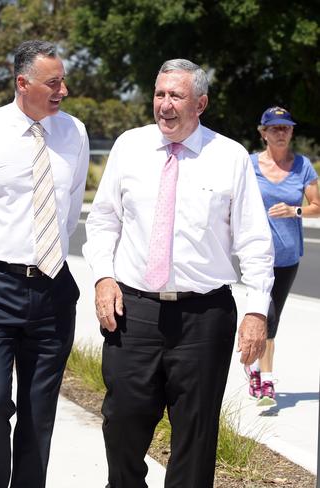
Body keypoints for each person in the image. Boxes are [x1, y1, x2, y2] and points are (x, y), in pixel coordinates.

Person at [82, 59, 274, 488]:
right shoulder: (129, 146)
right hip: (134, 312)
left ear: (200, 103)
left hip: (204, 317)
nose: (164, 105)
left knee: (195, 437)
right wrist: (103, 277)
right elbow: (102, 222)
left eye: (176, 96)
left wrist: (257, 311)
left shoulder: (229, 157)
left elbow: (255, 241)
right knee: (122, 422)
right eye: (159, 94)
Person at [0, 40, 89, 488]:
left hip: (52, 289)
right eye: (53, 82)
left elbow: (69, 209)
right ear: (22, 83)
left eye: (63, 80)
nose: (62, 89)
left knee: (38, 411)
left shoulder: (75, 134)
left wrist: (46, 259)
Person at [244, 106, 320, 407]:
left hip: (288, 256)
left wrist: (295, 210)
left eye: (286, 127)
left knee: (272, 319)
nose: (280, 132)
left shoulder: (302, 166)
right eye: (274, 128)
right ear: (263, 133)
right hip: (256, 255)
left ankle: (254, 367)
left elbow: (316, 205)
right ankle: (266, 382)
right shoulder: (249, 165)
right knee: (266, 314)